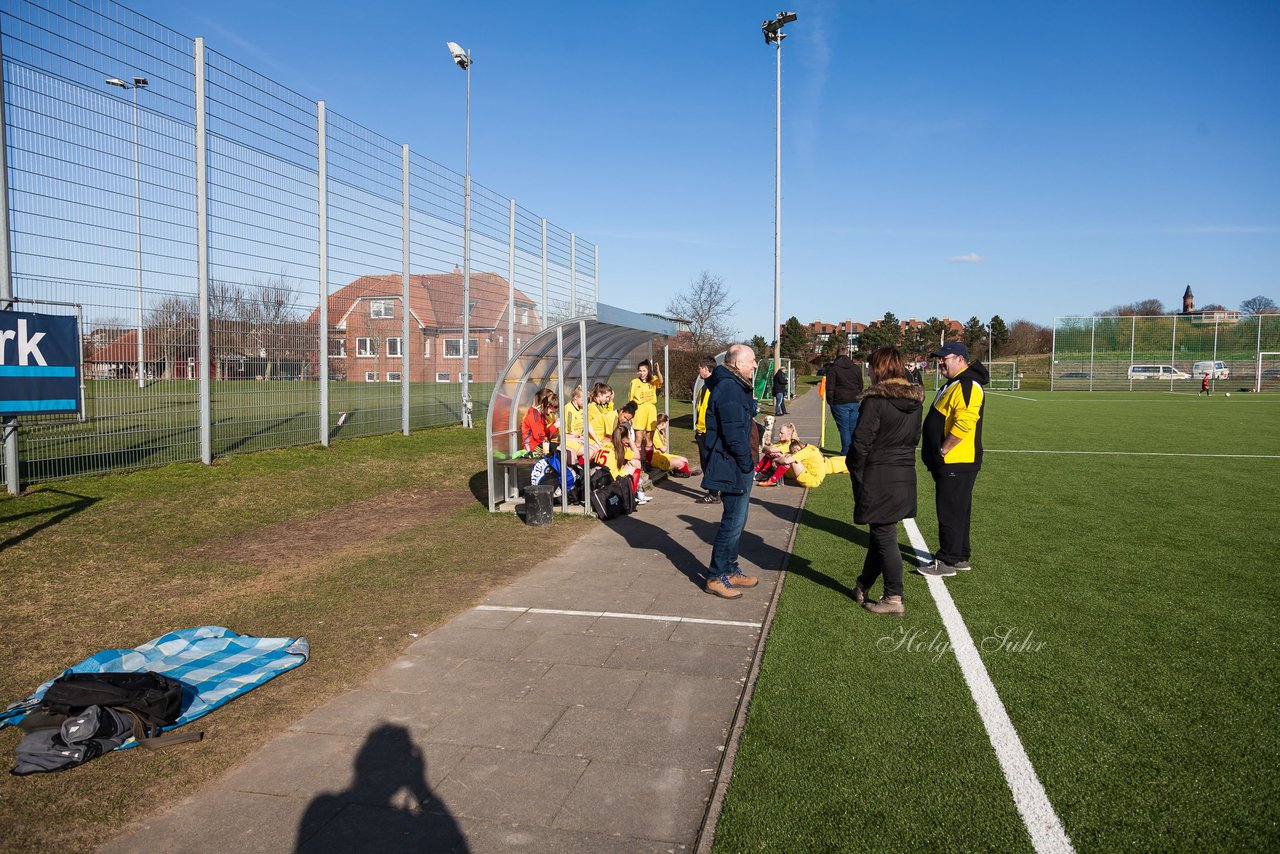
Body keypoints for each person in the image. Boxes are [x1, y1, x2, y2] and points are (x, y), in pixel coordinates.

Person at [849, 346, 924, 616]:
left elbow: (861, 443)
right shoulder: (915, 402)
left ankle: (894, 597)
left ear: (879, 369)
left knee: (884, 535)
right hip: (904, 473)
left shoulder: (875, 400)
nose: (868, 372)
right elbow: (915, 437)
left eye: (870, 367)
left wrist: (856, 468)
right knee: (880, 533)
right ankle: (863, 584)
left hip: (879, 474)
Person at [919, 342, 988, 577]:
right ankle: (960, 556)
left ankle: (947, 560)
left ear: (960, 359)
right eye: (938, 358)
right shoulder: (955, 384)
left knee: (949, 510)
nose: (940, 362)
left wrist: (943, 449)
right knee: (958, 509)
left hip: (957, 461)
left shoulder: (968, 384)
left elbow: (966, 421)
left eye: (943, 358)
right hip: (954, 461)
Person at [701, 343, 761, 598]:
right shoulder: (728, 388)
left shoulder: (736, 386)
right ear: (737, 364)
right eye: (752, 361)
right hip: (733, 464)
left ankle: (730, 569)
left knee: (738, 520)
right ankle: (715, 576)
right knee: (732, 522)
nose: (756, 365)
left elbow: (743, 421)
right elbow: (733, 433)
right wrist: (747, 464)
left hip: (738, 463)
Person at [596, 424, 649, 504]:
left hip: (599, 479)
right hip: (612, 480)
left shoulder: (604, 444)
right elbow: (637, 455)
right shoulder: (621, 449)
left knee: (625, 464)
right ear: (624, 438)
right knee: (636, 463)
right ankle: (632, 496)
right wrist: (630, 440)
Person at [825, 352, 864, 456]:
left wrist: (830, 401)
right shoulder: (856, 368)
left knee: (844, 429)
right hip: (854, 400)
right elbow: (860, 384)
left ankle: (846, 452)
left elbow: (830, 387)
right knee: (852, 427)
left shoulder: (833, 368)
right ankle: (853, 451)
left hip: (840, 401)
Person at [693, 356, 720, 504]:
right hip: (701, 431)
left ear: (705, 369)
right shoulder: (704, 387)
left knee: (708, 462)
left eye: (699, 368)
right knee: (705, 462)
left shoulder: (714, 387)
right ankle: (714, 490)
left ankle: (714, 493)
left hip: (709, 432)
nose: (698, 371)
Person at [629, 359, 663, 468]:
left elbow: (661, 382)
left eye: (644, 371)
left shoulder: (652, 380)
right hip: (639, 411)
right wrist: (631, 413)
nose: (642, 373)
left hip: (651, 410)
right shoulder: (634, 382)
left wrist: (658, 371)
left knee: (649, 439)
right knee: (638, 439)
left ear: (648, 371)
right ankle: (637, 461)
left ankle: (648, 462)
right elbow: (631, 399)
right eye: (640, 371)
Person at [757, 437, 825, 488]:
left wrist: (776, 459)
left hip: (812, 480)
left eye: (782, 433)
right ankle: (760, 473)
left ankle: (771, 480)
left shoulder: (806, 451)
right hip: (810, 475)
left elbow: (787, 460)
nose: (780, 435)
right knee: (785, 457)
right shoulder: (807, 447)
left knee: (790, 460)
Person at [652, 413, 698, 477]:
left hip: (662, 454)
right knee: (680, 463)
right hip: (656, 456)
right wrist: (665, 446)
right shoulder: (655, 433)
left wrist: (664, 446)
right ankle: (688, 473)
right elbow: (663, 449)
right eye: (667, 422)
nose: (667, 424)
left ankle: (679, 473)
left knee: (685, 460)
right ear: (663, 423)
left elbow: (664, 448)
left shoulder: (661, 432)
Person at [521, 389, 558, 454]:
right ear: (545, 405)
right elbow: (540, 438)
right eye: (551, 411)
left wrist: (554, 426)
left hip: (538, 444)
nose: (550, 413)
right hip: (532, 448)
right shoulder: (534, 415)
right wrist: (554, 426)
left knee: (564, 447)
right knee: (562, 450)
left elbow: (543, 434)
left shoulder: (540, 413)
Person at [562, 385, 585, 457]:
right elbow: (569, 430)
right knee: (589, 451)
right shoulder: (569, 409)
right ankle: (580, 467)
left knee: (595, 449)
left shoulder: (581, 408)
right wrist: (579, 438)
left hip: (578, 437)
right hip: (570, 438)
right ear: (575, 397)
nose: (584, 402)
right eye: (583, 400)